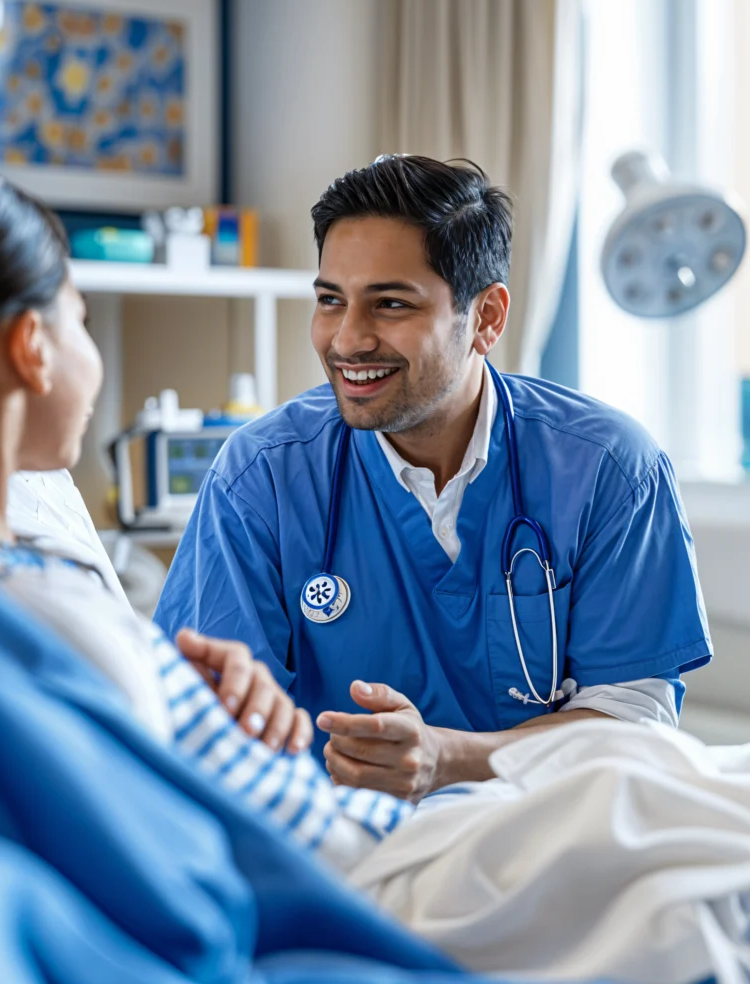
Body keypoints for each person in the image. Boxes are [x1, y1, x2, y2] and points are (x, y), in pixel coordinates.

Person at [155, 155, 712, 802]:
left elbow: (633, 727)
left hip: (548, 838)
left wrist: (448, 758)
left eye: (391, 304)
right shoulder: (261, 478)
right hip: (343, 846)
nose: (348, 339)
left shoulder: (610, 470)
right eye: (331, 301)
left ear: (488, 317)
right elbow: (207, 722)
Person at [0, 165, 411, 871]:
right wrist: (146, 675)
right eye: (82, 320)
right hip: (338, 863)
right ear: (30, 348)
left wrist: (178, 680)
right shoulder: (20, 615)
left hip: (326, 820)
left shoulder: (11, 564)